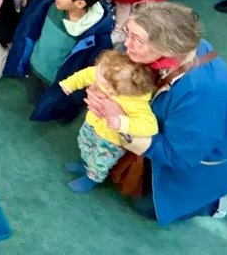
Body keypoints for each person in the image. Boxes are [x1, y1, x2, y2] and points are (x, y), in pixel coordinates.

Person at [91, 1, 227, 225]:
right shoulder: (186, 45)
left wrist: (120, 121)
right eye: (128, 33)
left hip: (198, 158)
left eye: (137, 40)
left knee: (146, 207)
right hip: (183, 134)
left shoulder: (202, 92)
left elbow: (178, 157)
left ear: (168, 49)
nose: (126, 44)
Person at [3, 0, 114, 122]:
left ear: (80, 3)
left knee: (54, 105)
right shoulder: (47, 3)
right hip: (35, 67)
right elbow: (27, 29)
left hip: (59, 82)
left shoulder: (98, 36)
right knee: (34, 96)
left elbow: (90, 70)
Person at [59, 49, 157, 194]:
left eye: (101, 82)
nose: (96, 80)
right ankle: (85, 163)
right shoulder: (107, 72)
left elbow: (150, 127)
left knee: (101, 161)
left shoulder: (136, 102)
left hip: (110, 140)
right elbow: (87, 74)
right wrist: (70, 83)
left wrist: (123, 123)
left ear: (113, 89)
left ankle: (91, 178)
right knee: (84, 143)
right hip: (92, 124)